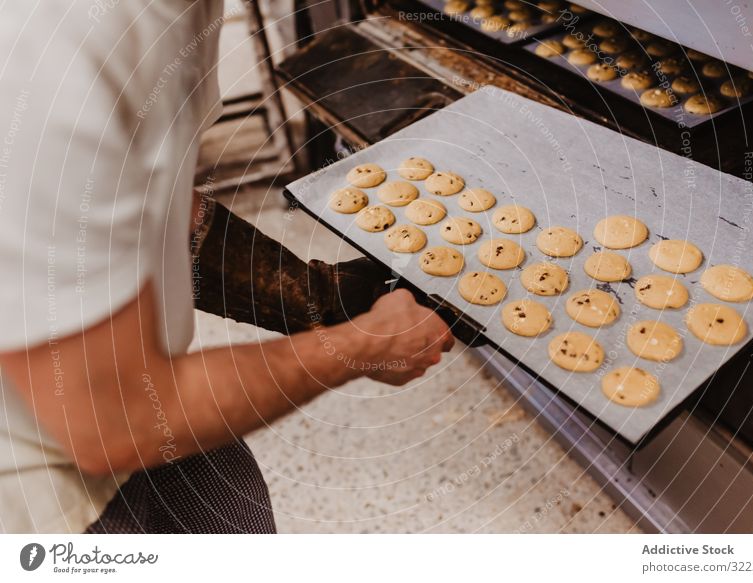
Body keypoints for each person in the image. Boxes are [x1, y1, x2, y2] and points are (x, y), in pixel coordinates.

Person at [0, 1, 453, 533]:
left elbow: (143, 194)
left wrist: (316, 298)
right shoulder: (48, 55)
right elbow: (113, 423)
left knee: (237, 516)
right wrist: (362, 344)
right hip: (48, 487)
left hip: (142, 381)